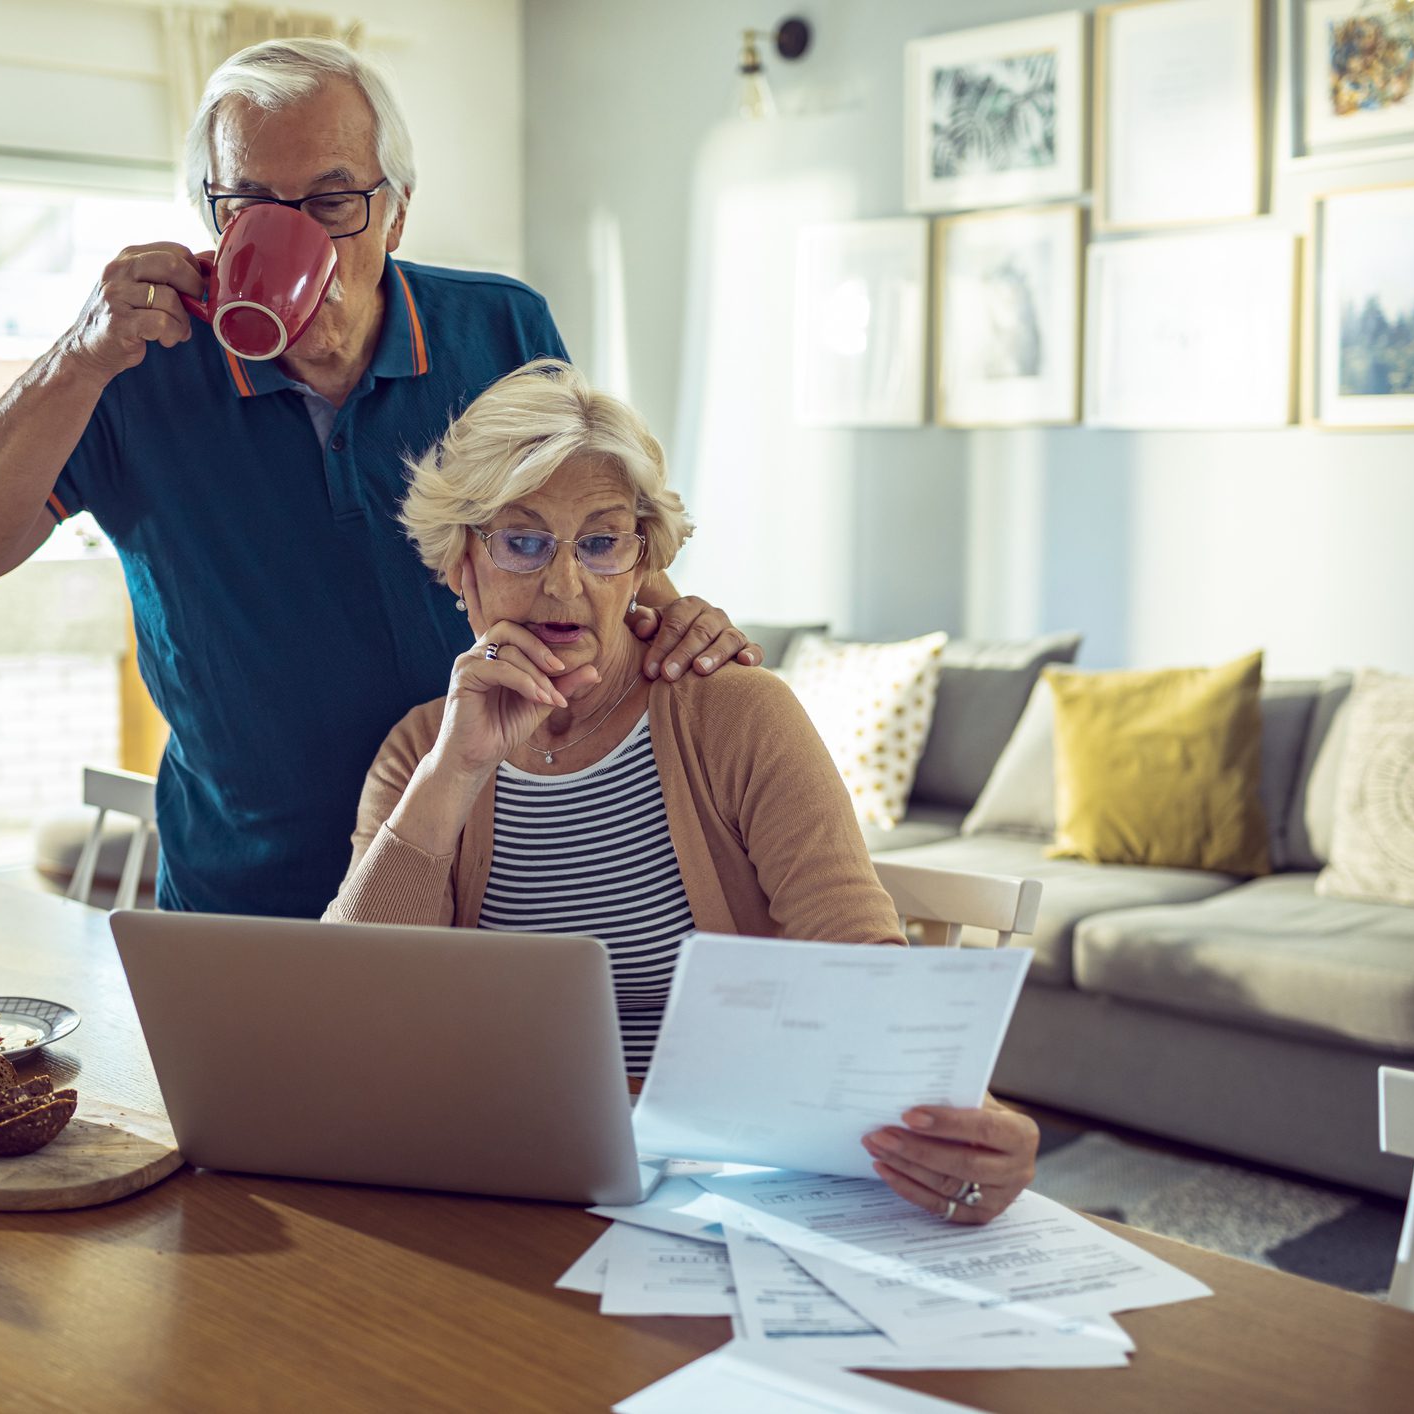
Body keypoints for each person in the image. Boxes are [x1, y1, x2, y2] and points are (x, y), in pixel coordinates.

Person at [0, 39, 757, 917]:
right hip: (246, 894)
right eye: (250, 203)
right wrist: (73, 362)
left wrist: (667, 612)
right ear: (212, 214)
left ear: (396, 213)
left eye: (332, 199)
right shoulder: (132, 366)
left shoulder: (499, 327)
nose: (296, 233)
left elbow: (584, 533)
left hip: (491, 869)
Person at [326, 361, 1040, 1224]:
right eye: (522, 540)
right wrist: (456, 769)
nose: (564, 586)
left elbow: (856, 965)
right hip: (501, 1182)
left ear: (641, 564)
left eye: (600, 543)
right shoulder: (420, 752)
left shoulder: (734, 714)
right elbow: (352, 1015)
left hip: (719, 1188)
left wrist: (968, 1130)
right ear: (459, 565)